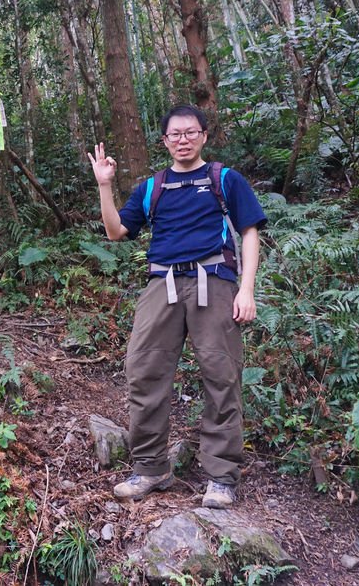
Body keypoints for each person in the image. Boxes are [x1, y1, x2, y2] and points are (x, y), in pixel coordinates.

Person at [87, 104, 266, 509]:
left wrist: (247, 289)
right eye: (175, 135)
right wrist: (104, 184)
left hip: (214, 281)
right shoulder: (152, 187)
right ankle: (150, 467)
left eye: (190, 133)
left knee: (221, 375)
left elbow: (249, 231)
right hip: (161, 284)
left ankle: (221, 476)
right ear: (165, 140)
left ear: (204, 135)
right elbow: (117, 232)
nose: (182, 140)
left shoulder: (225, 179)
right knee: (144, 371)